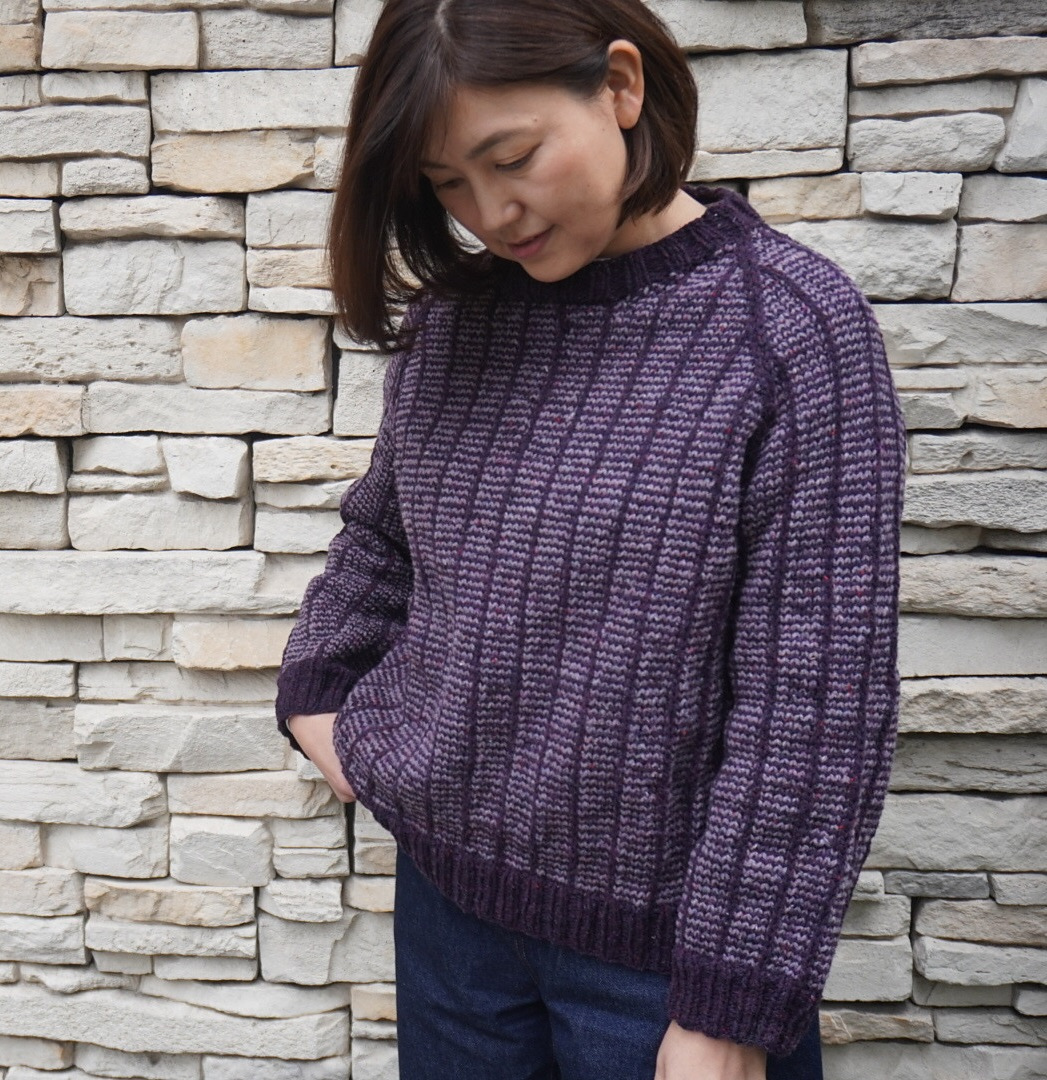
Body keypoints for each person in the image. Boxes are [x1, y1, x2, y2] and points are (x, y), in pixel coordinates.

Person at [273, 1, 908, 1078]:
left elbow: (814, 710)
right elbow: (384, 538)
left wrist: (729, 1010)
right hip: (451, 927)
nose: (490, 211)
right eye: (446, 184)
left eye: (508, 156)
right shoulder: (462, 320)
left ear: (620, 86)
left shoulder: (790, 331)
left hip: (662, 968)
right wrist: (320, 692)